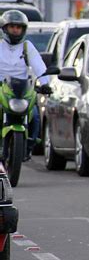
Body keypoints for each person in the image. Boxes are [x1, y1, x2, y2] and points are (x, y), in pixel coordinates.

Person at [0, 10, 51, 161]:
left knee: (34, 115)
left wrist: (45, 84)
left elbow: (39, 67)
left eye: (19, 27)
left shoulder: (27, 47)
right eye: (12, 27)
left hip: (21, 90)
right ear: (4, 28)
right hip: (1, 87)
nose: (15, 30)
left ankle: (29, 145)